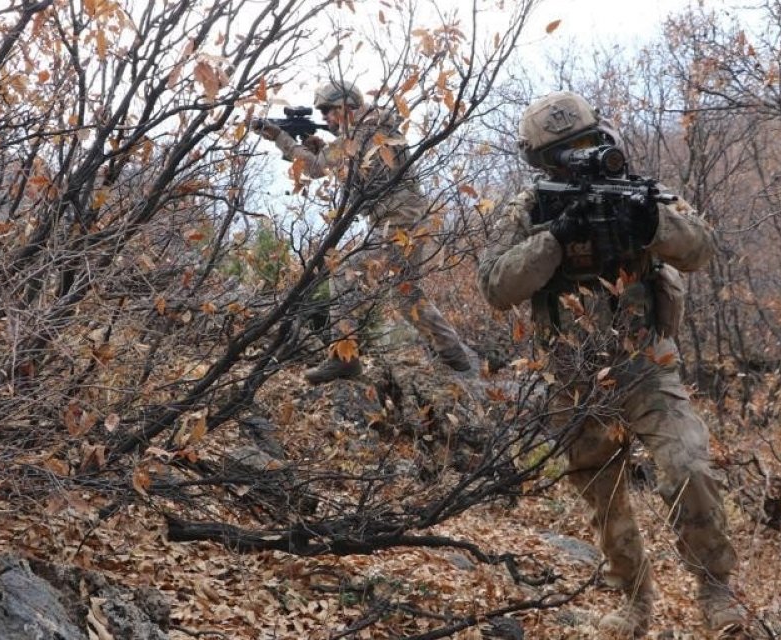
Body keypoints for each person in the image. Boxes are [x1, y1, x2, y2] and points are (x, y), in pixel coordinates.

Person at [477, 91, 746, 637]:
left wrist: (652, 225)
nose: (578, 159)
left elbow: (702, 250)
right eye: (563, 154)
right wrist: (554, 238)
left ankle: (716, 591)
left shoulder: (640, 193)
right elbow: (496, 287)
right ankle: (632, 600)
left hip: (646, 365)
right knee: (603, 494)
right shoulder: (531, 209)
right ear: (542, 163)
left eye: (587, 145)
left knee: (688, 467)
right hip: (573, 378)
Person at [254, 79, 472, 384]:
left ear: (347, 107)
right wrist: (319, 147)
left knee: (344, 275)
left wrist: (281, 138)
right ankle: (456, 356)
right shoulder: (369, 129)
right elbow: (341, 163)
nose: (327, 119)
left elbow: (317, 169)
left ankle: (345, 360)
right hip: (403, 221)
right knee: (406, 293)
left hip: (399, 223)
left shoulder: (365, 131)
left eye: (330, 111)